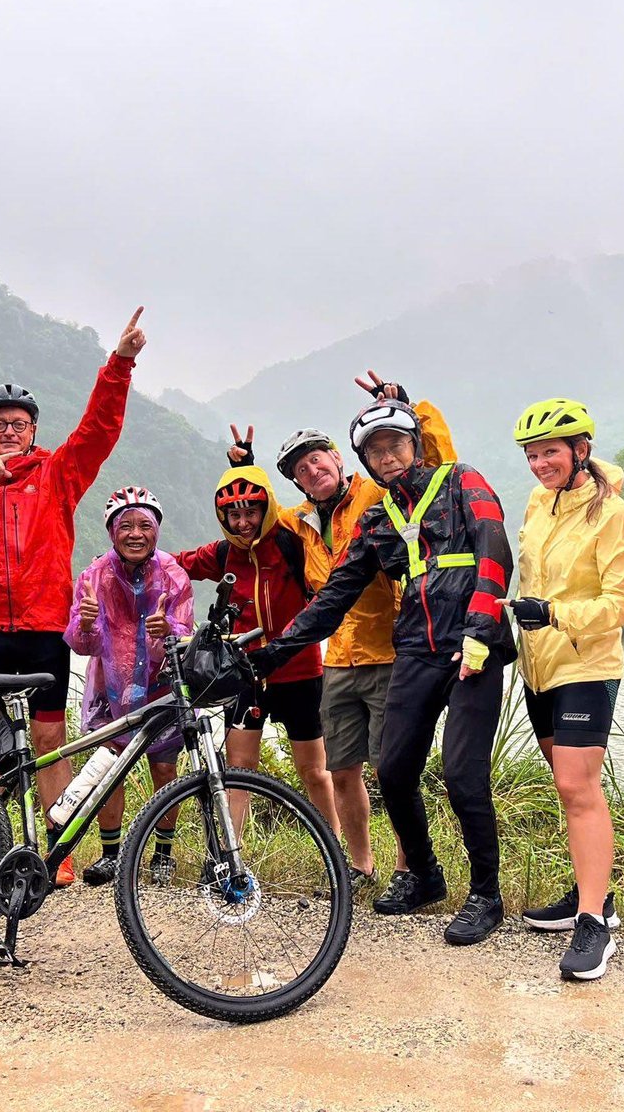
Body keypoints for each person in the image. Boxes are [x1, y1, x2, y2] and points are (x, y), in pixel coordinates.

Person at [251, 396, 516, 946]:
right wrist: (273, 653)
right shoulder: (377, 520)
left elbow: (495, 554)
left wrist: (480, 628)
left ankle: (486, 894)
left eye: (396, 444)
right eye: (376, 450)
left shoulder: (462, 481)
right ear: (364, 460)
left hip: (475, 646)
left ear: (415, 444)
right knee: (393, 770)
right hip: (416, 649)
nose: (388, 456)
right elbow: (334, 597)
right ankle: (423, 874)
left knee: (463, 773)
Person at [0, 308, 148, 887]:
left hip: (44, 627)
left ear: (33, 429)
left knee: (47, 738)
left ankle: (56, 849)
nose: (9, 430)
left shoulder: (59, 474)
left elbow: (99, 431)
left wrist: (120, 363)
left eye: (19, 422)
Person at [238, 372, 457, 890]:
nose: (311, 471)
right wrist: (244, 470)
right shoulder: (301, 523)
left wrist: (406, 407)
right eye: (299, 469)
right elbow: (254, 517)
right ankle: (359, 866)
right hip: (338, 660)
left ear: (339, 458)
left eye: (318, 459)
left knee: (393, 769)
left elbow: (434, 463)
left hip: (391, 652)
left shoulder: (378, 495)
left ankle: (410, 868)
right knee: (342, 771)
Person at [502, 398, 624, 981]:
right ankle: (595, 895)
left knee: (576, 784)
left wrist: (555, 614)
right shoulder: (540, 503)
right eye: (532, 455)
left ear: (580, 451)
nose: (540, 464)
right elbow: (526, 576)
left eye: (551, 453)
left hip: (587, 665)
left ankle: (595, 925)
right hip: (539, 666)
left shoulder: (613, 515)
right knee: (569, 790)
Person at [174, 464, 341, 836]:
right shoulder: (222, 554)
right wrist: (123, 561)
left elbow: (319, 530)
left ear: (265, 510)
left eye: (251, 512)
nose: (244, 522)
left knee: (314, 770)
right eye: (234, 514)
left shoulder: (289, 541)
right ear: (224, 517)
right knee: (239, 767)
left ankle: (335, 851)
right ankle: (231, 858)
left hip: (300, 670)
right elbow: (176, 564)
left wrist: (246, 463)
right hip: (244, 674)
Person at [64, 487, 195, 885]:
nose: (135, 533)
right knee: (110, 770)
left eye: (144, 525)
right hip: (110, 690)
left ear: (156, 530)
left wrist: (167, 628)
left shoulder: (173, 574)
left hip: (161, 687)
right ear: (111, 532)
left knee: (164, 768)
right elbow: (79, 642)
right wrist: (86, 622)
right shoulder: (94, 575)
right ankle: (111, 854)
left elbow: (185, 634)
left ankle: (163, 854)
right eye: (126, 526)